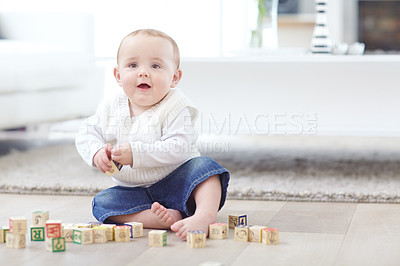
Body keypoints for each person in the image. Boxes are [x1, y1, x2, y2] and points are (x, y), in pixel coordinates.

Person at [75, 29, 230, 240]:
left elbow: (179, 147)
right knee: (102, 203)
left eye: (155, 66)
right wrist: (96, 152)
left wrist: (136, 154)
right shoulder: (111, 106)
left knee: (206, 169)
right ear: (118, 76)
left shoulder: (176, 106)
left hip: (178, 183)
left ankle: (203, 216)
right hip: (133, 191)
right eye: (132, 65)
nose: (143, 72)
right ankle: (154, 218)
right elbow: (86, 132)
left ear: (174, 77)